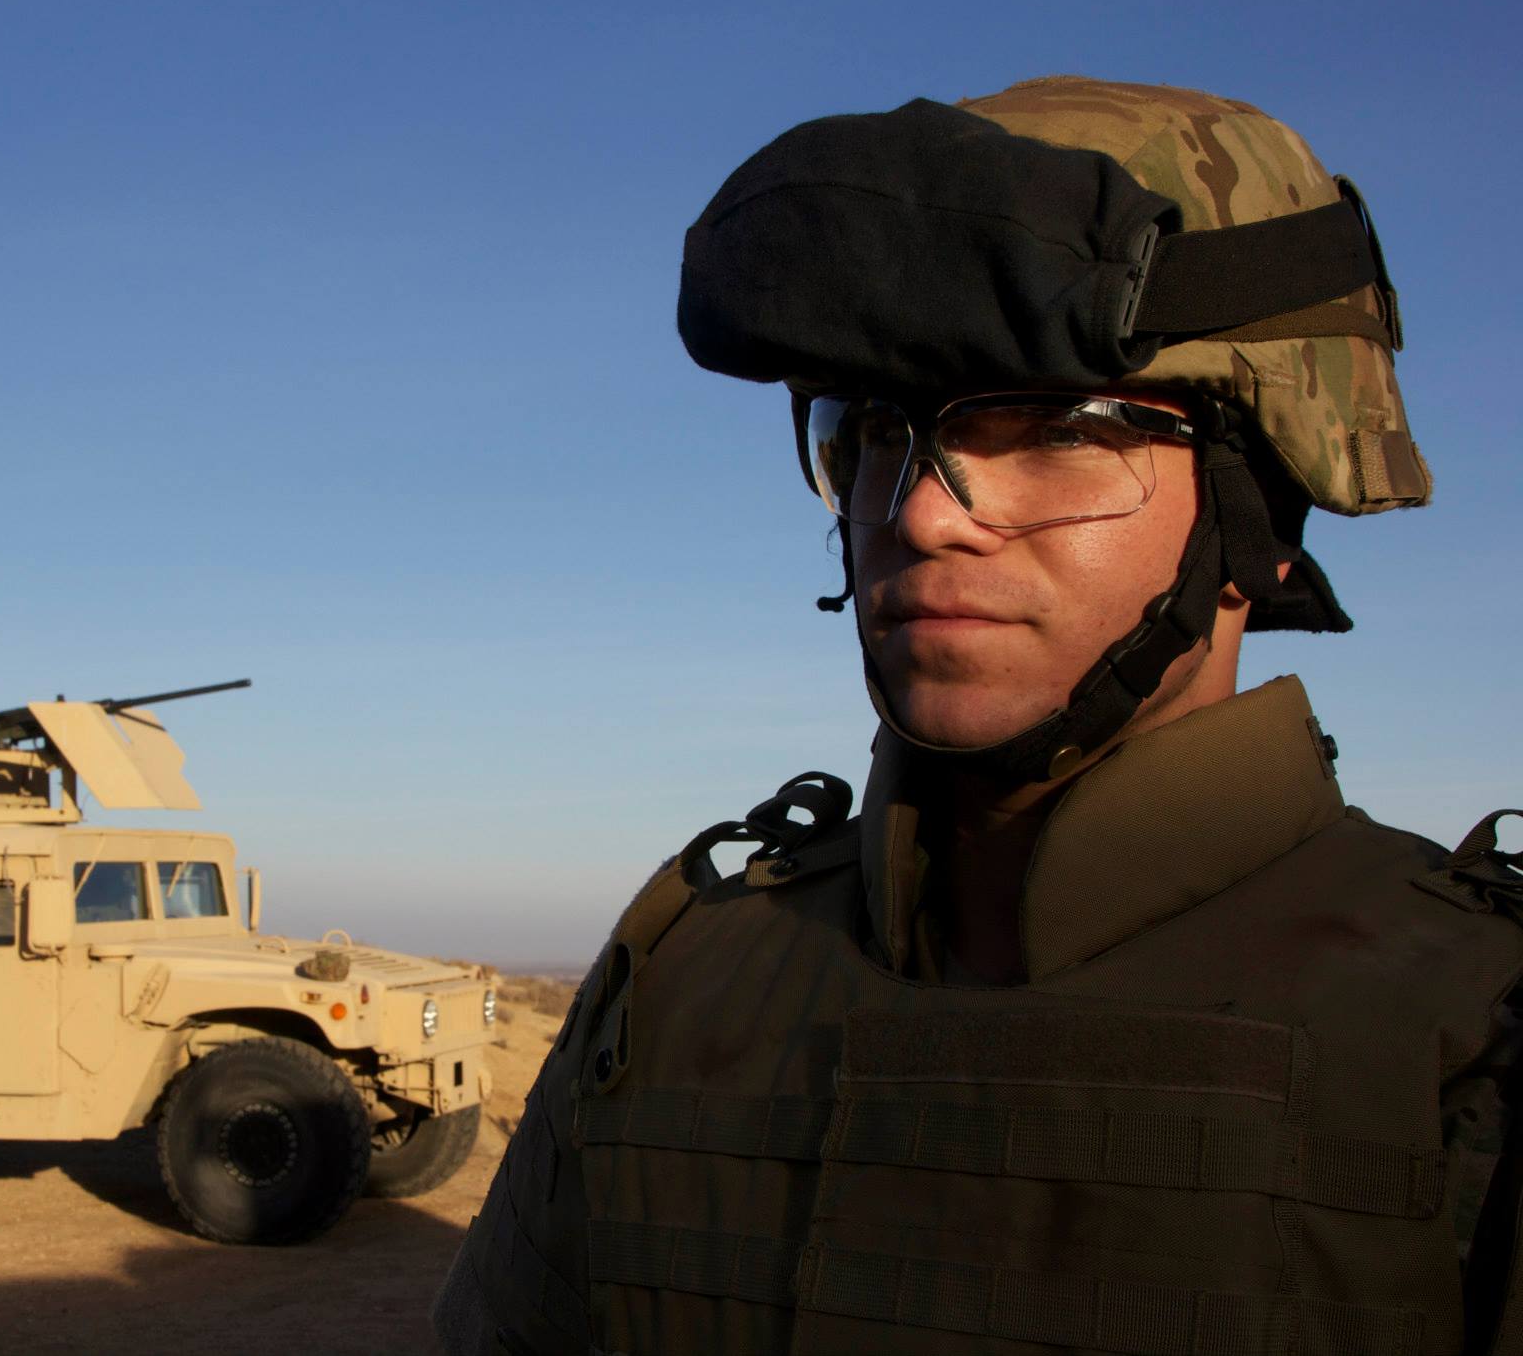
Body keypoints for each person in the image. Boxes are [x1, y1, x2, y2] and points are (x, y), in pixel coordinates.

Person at [435, 76, 1523, 1355]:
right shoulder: (686, 972)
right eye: (876, 430)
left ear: (1256, 493)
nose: (921, 510)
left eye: (1056, 427)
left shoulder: (1470, 1027)